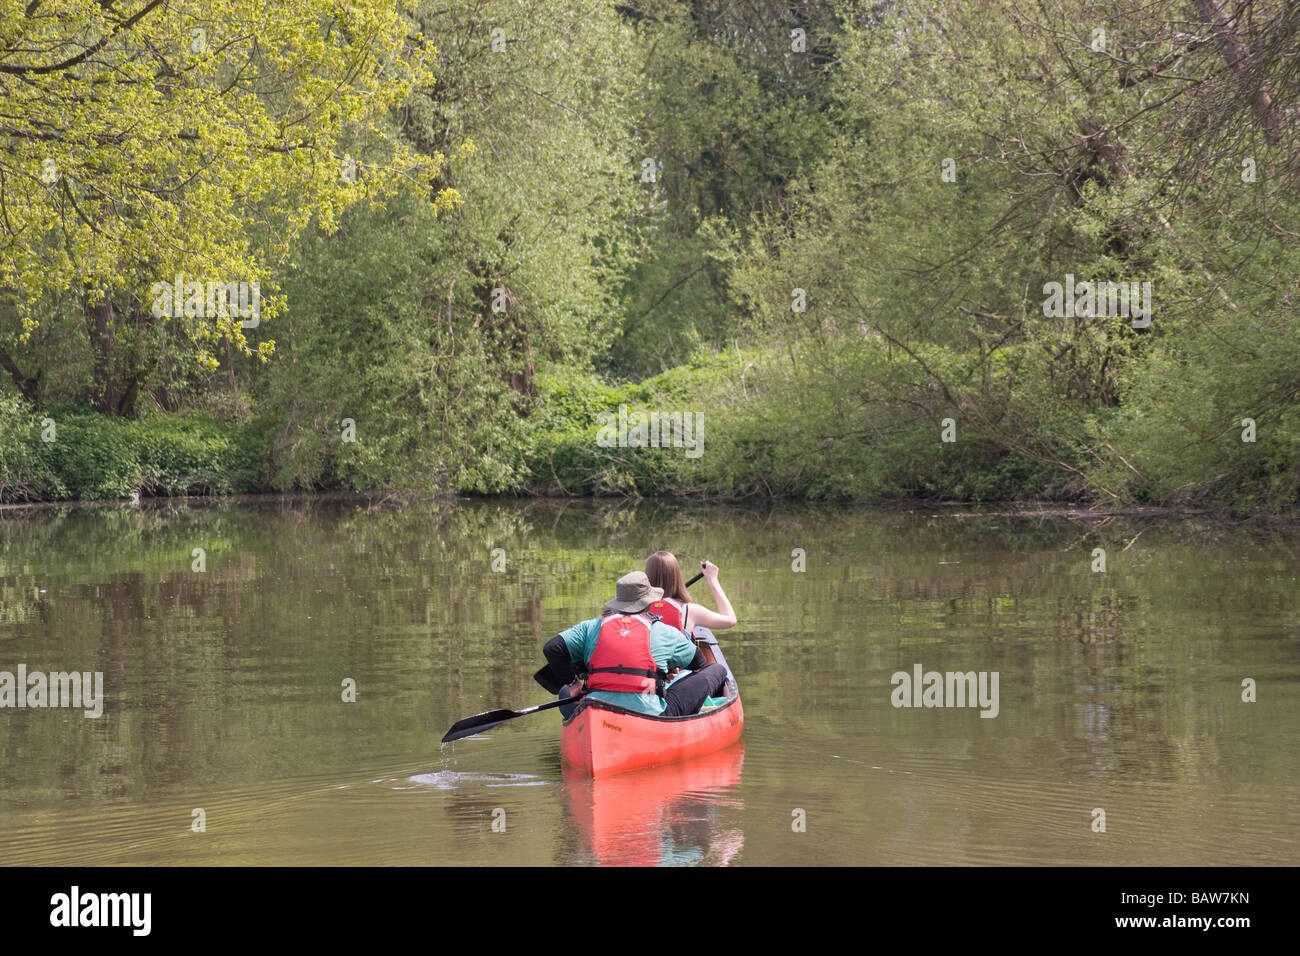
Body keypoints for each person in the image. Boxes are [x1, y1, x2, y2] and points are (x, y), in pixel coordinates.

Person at [538, 571, 729, 719]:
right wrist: (664, 672)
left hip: (597, 709)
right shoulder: (663, 630)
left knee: (565, 693)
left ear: (618, 602)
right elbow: (698, 661)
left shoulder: (592, 626)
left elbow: (552, 649)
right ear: (649, 602)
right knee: (716, 670)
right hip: (650, 715)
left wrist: (574, 684)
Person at [643, 552, 738, 638]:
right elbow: (731, 620)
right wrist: (713, 580)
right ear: (676, 576)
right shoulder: (690, 611)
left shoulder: (636, 608)